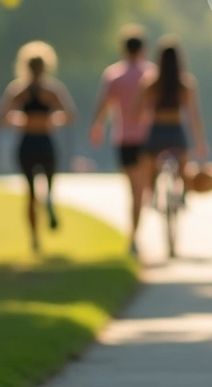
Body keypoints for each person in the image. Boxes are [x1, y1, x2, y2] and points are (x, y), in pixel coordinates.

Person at [0, 40, 78, 254]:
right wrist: (49, 120)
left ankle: (34, 238)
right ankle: (48, 203)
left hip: (28, 143)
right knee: (47, 186)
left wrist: (22, 120)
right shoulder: (51, 90)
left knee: (31, 194)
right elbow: (70, 114)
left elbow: (1, 117)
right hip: (44, 142)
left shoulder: (19, 90)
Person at [89, 24, 157, 257]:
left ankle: (134, 237)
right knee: (143, 190)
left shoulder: (114, 75)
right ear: (143, 49)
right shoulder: (151, 74)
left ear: (123, 50)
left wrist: (97, 126)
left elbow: (104, 105)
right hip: (148, 137)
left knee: (134, 191)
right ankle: (136, 234)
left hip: (124, 139)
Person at [134, 35, 209, 228]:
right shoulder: (185, 84)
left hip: (156, 130)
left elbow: (137, 110)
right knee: (184, 168)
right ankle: (183, 197)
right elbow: (194, 116)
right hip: (176, 131)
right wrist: (200, 142)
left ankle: (151, 197)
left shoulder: (151, 83)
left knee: (150, 169)